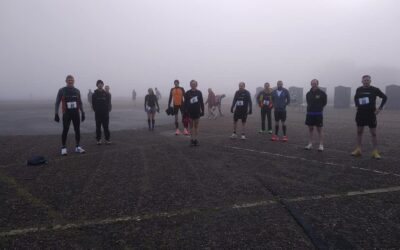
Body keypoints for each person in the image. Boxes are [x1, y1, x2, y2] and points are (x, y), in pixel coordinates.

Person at [351, 75, 387, 159]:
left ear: (370, 81)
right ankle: (358, 150)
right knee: (359, 132)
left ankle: (375, 151)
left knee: (373, 133)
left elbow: (385, 97)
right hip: (360, 113)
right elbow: (355, 98)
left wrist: (380, 108)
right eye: (364, 80)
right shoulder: (359, 89)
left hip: (371, 114)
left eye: (367, 80)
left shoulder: (375, 89)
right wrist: (356, 105)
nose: (366, 81)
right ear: (362, 81)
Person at [54, 75, 85, 155]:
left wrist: (83, 112)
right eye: (69, 80)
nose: (70, 81)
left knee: (77, 130)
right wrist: (56, 113)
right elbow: (57, 102)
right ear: (66, 81)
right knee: (65, 130)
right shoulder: (62, 90)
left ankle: (78, 147)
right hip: (66, 113)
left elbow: (80, 103)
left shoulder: (77, 91)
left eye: (71, 80)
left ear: (74, 81)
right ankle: (63, 147)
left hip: (75, 113)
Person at [304, 79, 327, 151]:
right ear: (311, 84)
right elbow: (308, 102)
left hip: (318, 114)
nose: (313, 84)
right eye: (312, 83)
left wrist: (318, 108)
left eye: (315, 83)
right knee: (310, 129)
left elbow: (324, 103)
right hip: (310, 114)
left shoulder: (322, 93)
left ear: (317, 84)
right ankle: (310, 144)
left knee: (319, 130)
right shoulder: (308, 94)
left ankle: (321, 145)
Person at [184, 80, 204, 146]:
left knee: (196, 126)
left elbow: (201, 102)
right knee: (191, 126)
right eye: (192, 84)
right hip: (190, 112)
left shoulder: (199, 92)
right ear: (190, 85)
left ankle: (196, 139)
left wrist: (203, 111)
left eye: (194, 84)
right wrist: (185, 111)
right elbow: (185, 103)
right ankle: (191, 139)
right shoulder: (187, 93)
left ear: (196, 85)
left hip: (197, 111)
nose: (193, 85)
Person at [92, 80, 112, 145]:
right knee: (98, 127)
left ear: (103, 85)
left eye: (101, 84)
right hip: (97, 114)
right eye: (99, 84)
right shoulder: (94, 94)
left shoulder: (106, 94)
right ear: (97, 85)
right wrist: (96, 110)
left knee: (106, 127)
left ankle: (107, 139)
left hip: (105, 114)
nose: (100, 85)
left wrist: (108, 110)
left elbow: (109, 103)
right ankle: (98, 140)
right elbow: (93, 104)